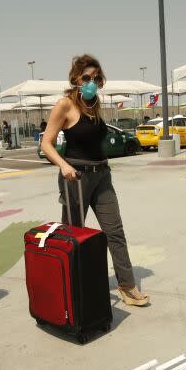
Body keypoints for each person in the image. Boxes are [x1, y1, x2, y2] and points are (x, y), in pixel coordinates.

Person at [41, 54, 149, 306]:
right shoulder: (64, 105)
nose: (92, 82)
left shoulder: (95, 103)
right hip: (76, 177)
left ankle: (127, 285)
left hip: (102, 175)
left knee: (115, 232)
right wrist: (64, 165)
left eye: (96, 78)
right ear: (76, 79)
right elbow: (46, 143)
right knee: (73, 236)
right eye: (87, 77)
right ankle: (72, 287)